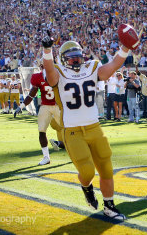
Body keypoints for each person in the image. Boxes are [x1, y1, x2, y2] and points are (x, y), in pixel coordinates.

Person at [43, 37, 127, 220]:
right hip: (72, 131)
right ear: (64, 59)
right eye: (71, 58)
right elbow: (49, 72)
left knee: (106, 168)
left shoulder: (92, 67)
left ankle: (109, 206)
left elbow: (112, 66)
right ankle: (86, 187)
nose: (76, 60)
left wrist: (125, 48)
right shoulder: (58, 71)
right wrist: (47, 50)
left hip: (94, 127)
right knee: (87, 171)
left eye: (78, 56)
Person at [13, 63, 65, 165]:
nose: (44, 67)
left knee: (69, 129)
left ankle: (76, 150)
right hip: (45, 106)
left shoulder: (59, 75)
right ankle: (46, 157)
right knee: (41, 130)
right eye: (43, 65)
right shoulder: (38, 77)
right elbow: (32, 94)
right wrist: (21, 106)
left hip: (58, 105)